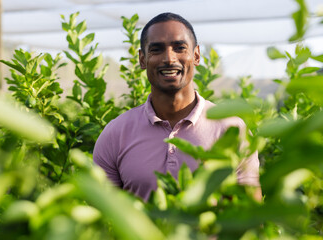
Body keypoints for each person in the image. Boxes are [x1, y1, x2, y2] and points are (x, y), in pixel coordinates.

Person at [93, 12, 261, 201]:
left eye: (180, 48)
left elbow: (250, 215)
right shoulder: (116, 133)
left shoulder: (230, 130)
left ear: (196, 55)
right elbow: (102, 217)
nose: (169, 59)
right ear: (142, 59)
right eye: (156, 50)